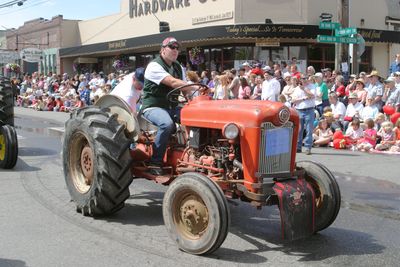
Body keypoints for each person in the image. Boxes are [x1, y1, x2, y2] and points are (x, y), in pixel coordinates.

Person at [141, 37, 193, 175]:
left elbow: (186, 89)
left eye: (177, 48)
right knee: (167, 124)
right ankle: (155, 163)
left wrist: (195, 103)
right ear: (163, 49)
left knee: (195, 119)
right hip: (153, 106)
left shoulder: (178, 67)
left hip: (171, 107)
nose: (175, 50)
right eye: (172, 47)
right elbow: (173, 82)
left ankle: (193, 155)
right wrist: (193, 87)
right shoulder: (154, 66)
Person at [292, 74, 316, 154]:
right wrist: (304, 98)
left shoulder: (312, 86)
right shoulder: (296, 89)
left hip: (309, 110)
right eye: (303, 78)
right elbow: (293, 100)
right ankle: (298, 147)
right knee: (299, 130)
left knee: (309, 130)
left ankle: (308, 147)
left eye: (306, 78)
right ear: (300, 80)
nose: (305, 80)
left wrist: (304, 89)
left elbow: (312, 95)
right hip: (299, 110)